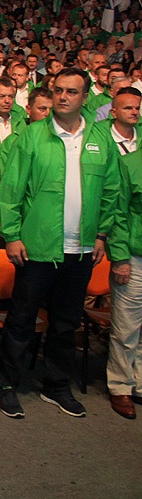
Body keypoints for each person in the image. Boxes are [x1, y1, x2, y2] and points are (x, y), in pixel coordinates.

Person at [0, 68, 120, 418]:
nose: (64, 97)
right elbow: (11, 190)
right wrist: (14, 234)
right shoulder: (33, 135)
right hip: (37, 246)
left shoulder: (101, 138)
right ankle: (7, 384)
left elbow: (110, 191)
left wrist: (100, 235)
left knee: (66, 323)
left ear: (85, 97)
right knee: (21, 319)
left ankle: (56, 385)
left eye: (72, 92)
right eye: (59, 90)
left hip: (80, 249)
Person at [108, 138, 142, 418]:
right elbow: (117, 213)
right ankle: (121, 386)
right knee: (127, 328)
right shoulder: (130, 164)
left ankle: (140, 383)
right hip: (134, 255)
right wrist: (119, 256)